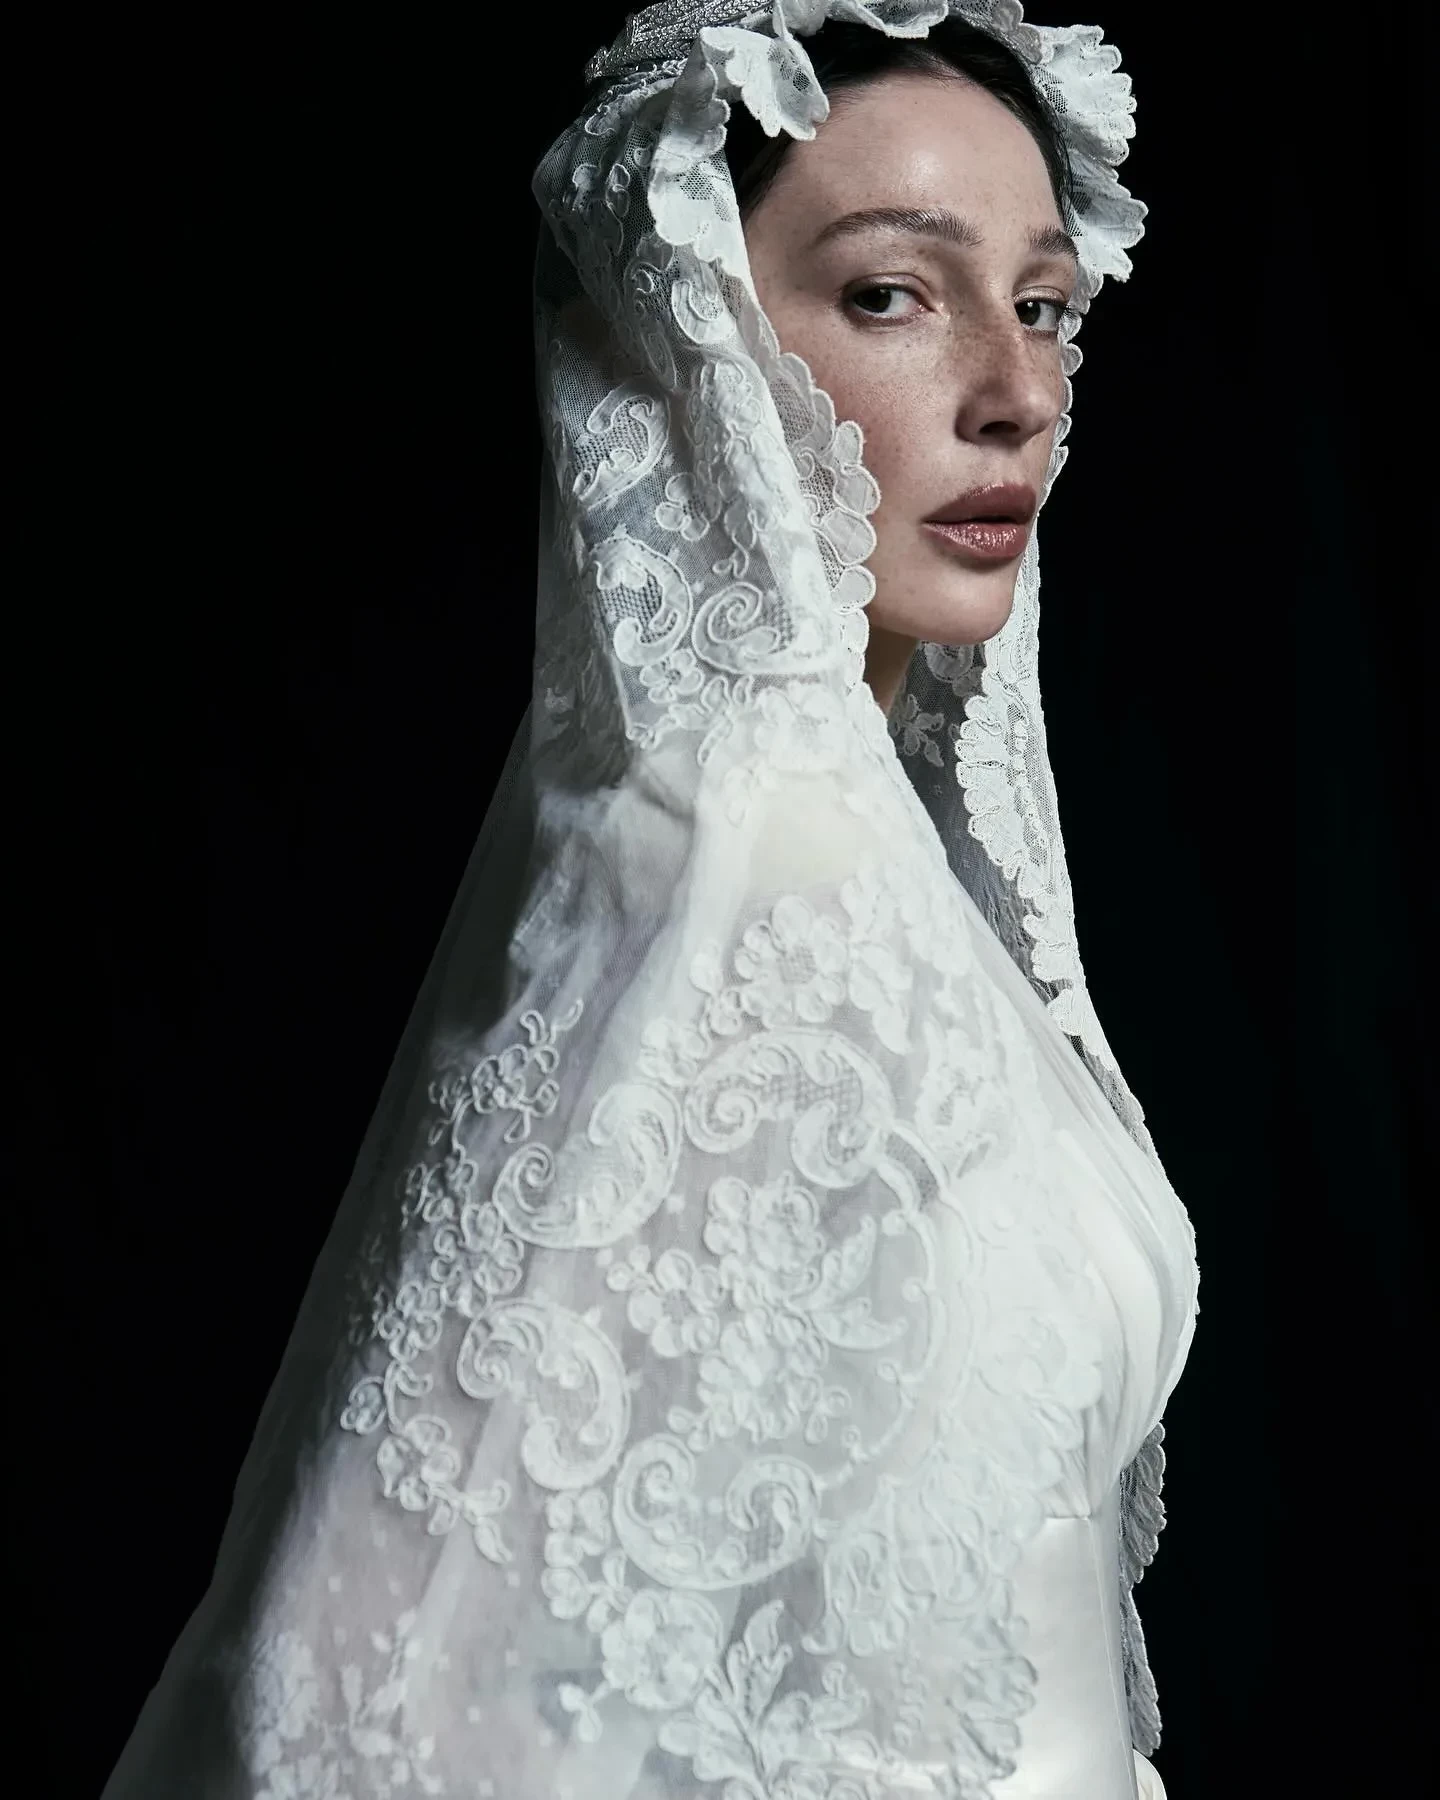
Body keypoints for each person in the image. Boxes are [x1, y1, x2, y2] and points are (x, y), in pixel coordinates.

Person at [101, 5, 1197, 1797]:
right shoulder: (742, 868)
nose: (1017, 387)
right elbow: (356, 1686)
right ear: (681, 343)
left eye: (1045, 303)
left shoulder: (866, 861)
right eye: (892, 295)